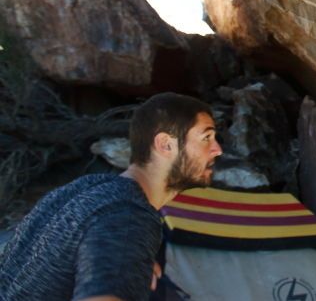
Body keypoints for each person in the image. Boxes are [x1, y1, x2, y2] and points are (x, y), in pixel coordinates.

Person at [0, 92, 223, 301]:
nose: (217, 149)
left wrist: (128, 260)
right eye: (206, 137)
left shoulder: (83, 189)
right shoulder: (129, 216)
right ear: (165, 144)